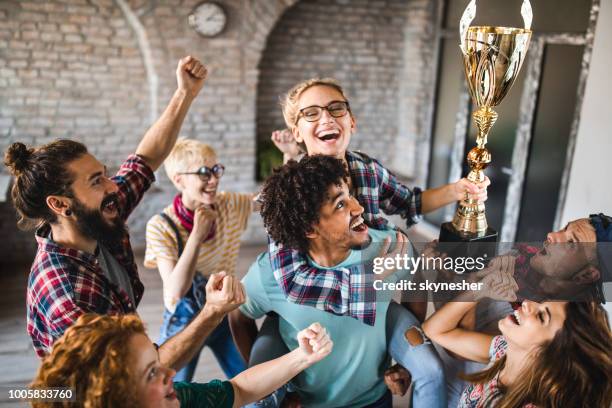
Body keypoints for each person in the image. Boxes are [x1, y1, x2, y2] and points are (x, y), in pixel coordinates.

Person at [3, 56, 237, 371]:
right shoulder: (67, 293)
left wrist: (185, 93)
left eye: (105, 174)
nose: (114, 186)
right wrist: (211, 313)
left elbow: (146, 158)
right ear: (60, 204)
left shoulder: (94, 216)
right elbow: (140, 372)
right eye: (96, 181)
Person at [267, 78, 489, 326]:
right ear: (296, 132)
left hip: (378, 300)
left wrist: (457, 190)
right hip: (320, 316)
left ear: (352, 122)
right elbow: (295, 281)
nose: (327, 119)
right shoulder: (289, 192)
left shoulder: (367, 169)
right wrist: (373, 276)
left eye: (336, 108)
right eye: (311, 113)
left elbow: (409, 202)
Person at [230, 155, 445, 408]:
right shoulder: (272, 274)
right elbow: (238, 316)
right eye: (341, 205)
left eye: (349, 195)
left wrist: (405, 363)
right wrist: (273, 387)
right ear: (310, 229)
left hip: (374, 400)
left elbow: (416, 282)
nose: (359, 208)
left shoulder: (387, 247)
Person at [421, 256, 612, 408]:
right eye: (541, 303)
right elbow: (435, 330)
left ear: (552, 354)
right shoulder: (503, 350)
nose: (528, 304)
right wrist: (478, 289)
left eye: (541, 317)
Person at [31, 313, 333, 408]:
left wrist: (301, 357)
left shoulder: (177, 401)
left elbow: (239, 390)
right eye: (152, 373)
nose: (171, 372)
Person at [144, 138, 258, 381]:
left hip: (225, 311)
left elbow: (273, 200)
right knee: (169, 392)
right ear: (179, 179)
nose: (214, 180)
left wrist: (290, 155)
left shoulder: (229, 204)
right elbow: (174, 292)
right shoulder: (161, 226)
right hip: (186, 321)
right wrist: (197, 235)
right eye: (204, 173)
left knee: (257, 385)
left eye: (216, 170)